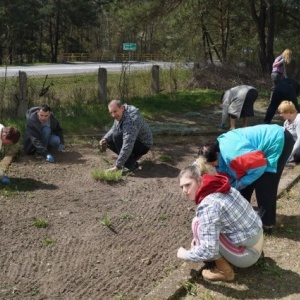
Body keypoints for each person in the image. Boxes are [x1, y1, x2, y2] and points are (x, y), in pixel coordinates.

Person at [199, 124, 294, 235]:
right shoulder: (219, 151)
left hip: (278, 140)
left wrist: (242, 182)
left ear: (217, 154)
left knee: (265, 185)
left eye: (212, 163)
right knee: (244, 185)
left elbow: (260, 166)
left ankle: (266, 225)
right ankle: (243, 218)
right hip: (254, 155)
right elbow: (230, 178)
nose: (213, 166)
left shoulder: (233, 154)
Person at [177, 160, 263, 282]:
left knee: (197, 223)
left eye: (187, 185)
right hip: (257, 239)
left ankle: (224, 272)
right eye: (182, 187)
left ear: (200, 180)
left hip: (248, 255)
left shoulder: (208, 205)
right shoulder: (220, 186)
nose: (184, 191)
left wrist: (185, 255)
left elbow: (209, 251)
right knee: (204, 226)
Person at [99, 99, 153, 172]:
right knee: (108, 139)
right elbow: (114, 128)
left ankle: (131, 165)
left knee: (116, 136)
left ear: (122, 108)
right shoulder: (121, 113)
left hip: (143, 145)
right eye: (111, 112)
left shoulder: (131, 120)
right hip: (134, 141)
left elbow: (128, 144)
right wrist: (104, 139)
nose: (113, 115)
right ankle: (131, 159)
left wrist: (117, 166)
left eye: (115, 111)